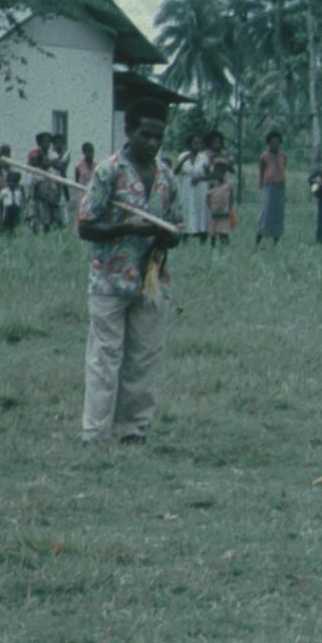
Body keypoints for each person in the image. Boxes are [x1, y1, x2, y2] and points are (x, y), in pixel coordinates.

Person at [76, 97, 183, 446]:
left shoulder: (167, 176)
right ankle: (95, 432)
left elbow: (177, 228)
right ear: (129, 131)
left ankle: (133, 429)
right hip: (109, 281)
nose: (152, 143)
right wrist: (127, 228)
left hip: (151, 281)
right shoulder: (108, 171)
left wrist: (168, 235)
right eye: (145, 135)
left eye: (158, 137)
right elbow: (86, 227)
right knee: (105, 358)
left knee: (143, 359)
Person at [173, 133, 211, 242]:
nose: (197, 145)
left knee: (201, 209)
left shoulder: (204, 157)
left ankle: (202, 235)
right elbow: (175, 172)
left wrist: (200, 178)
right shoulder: (182, 155)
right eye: (195, 143)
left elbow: (209, 175)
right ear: (190, 144)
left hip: (200, 187)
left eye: (199, 143)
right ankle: (186, 235)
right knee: (187, 209)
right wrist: (183, 160)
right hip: (187, 187)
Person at [255, 129, 287, 246]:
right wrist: (261, 186)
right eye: (273, 142)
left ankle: (276, 240)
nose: (275, 144)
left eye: (277, 141)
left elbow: (284, 167)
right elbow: (261, 171)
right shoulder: (264, 156)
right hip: (269, 186)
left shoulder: (283, 155)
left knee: (278, 213)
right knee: (266, 212)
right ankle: (258, 238)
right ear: (268, 143)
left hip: (280, 186)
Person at [207, 159, 234, 247]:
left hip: (224, 211)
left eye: (222, 172)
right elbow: (207, 197)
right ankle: (213, 247)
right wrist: (210, 208)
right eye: (218, 172)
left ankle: (224, 247)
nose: (220, 174)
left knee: (224, 231)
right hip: (214, 210)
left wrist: (230, 209)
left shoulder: (228, 184)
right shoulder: (212, 184)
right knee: (213, 231)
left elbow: (231, 198)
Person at [0, 170, 25, 235]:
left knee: (14, 224)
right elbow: (0, 201)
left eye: (15, 182)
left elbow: (21, 201)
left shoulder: (18, 191)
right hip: (7, 209)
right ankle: (4, 233)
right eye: (11, 182)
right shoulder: (4, 191)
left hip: (16, 209)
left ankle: (12, 233)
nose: (12, 184)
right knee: (6, 223)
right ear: (7, 182)